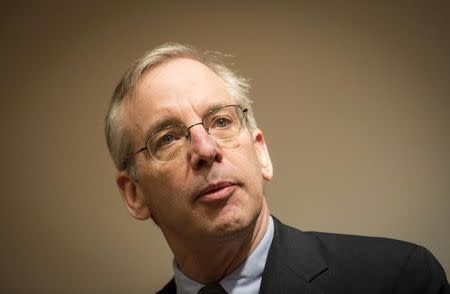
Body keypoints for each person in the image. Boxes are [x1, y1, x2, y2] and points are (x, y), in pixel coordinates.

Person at [105, 43, 449, 294]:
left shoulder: (400, 279)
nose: (206, 150)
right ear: (135, 195)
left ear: (261, 153)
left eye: (221, 121)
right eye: (167, 139)